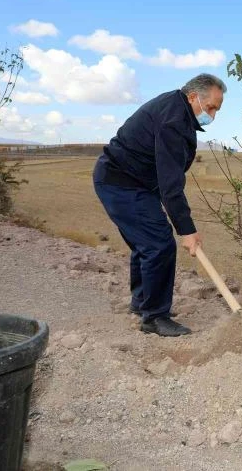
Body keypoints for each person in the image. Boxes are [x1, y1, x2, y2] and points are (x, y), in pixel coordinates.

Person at [93, 73, 226, 337]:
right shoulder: (173, 120)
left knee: (147, 242)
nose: (212, 114)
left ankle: (143, 303)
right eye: (210, 107)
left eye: (217, 109)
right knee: (159, 244)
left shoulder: (176, 110)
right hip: (121, 183)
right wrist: (186, 230)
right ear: (192, 97)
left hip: (132, 183)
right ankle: (154, 317)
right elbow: (170, 183)